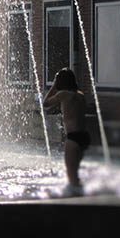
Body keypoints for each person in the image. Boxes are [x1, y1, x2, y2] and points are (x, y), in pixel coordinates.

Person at [44, 68, 88, 196]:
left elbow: (46, 103)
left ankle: (74, 201)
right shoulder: (80, 95)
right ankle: (80, 195)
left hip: (72, 138)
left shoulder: (63, 94)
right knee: (76, 172)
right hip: (83, 137)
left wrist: (53, 86)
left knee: (71, 175)